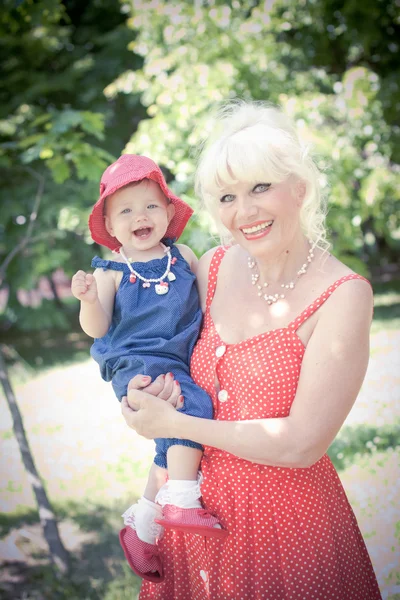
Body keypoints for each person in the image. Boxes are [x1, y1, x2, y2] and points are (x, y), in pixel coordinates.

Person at [121, 101, 382, 599]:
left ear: (300, 188)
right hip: (190, 529)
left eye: (261, 187)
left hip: (287, 532)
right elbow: (175, 378)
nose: (245, 211)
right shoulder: (211, 269)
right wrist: (148, 399)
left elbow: (303, 443)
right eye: (227, 196)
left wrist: (174, 425)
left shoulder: (344, 294)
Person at [71, 155, 228, 584]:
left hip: (177, 359)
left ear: (169, 212)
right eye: (126, 210)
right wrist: (87, 300)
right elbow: (97, 327)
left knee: (173, 430)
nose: (140, 216)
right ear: (110, 224)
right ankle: (181, 499)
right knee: (189, 406)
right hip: (136, 361)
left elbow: (209, 301)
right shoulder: (113, 270)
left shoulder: (184, 256)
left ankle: (143, 525)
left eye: (151, 206)